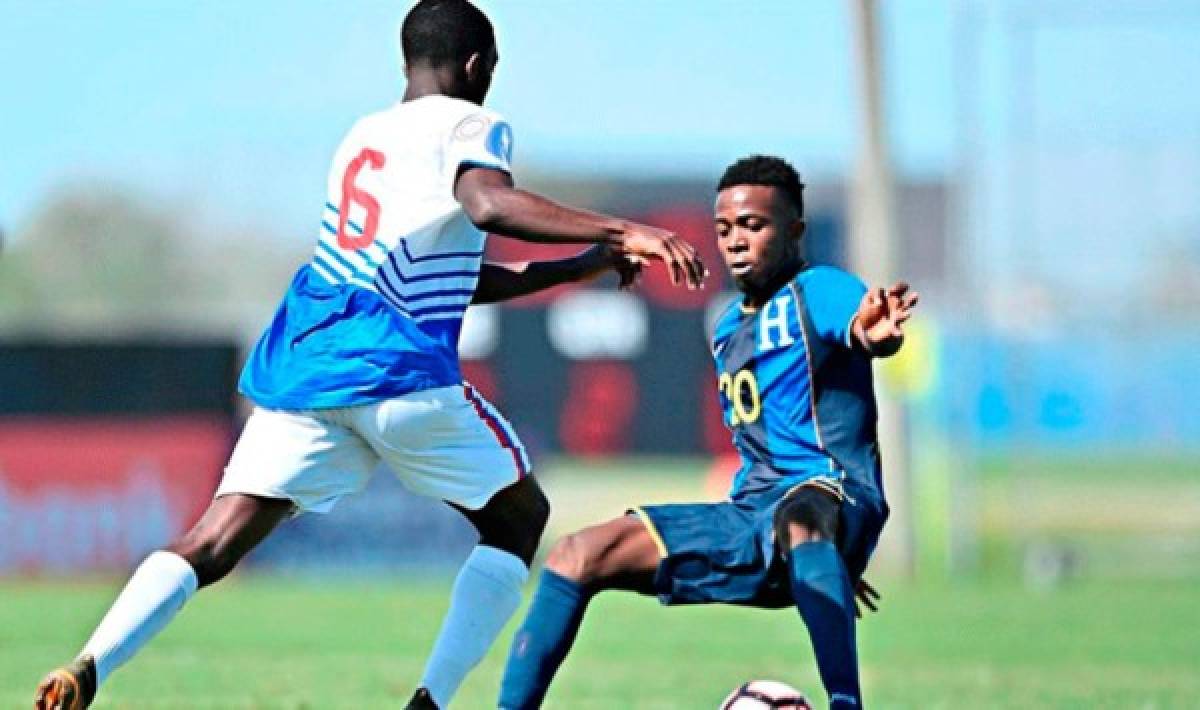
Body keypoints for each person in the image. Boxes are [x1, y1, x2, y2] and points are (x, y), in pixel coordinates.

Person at [32, 2, 706, 709]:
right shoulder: (472, 124)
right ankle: (431, 701)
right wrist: (628, 228)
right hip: (399, 377)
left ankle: (89, 665)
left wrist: (577, 267)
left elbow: (447, 277)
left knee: (213, 539)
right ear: (477, 66)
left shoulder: (362, 139)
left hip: (310, 370)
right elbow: (488, 205)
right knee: (520, 520)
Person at [497, 155, 918, 710]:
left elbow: (862, 327)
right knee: (577, 553)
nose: (736, 241)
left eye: (753, 225)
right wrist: (825, 567)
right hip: (753, 515)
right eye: (724, 229)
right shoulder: (727, 328)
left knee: (802, 518)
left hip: (829, 496)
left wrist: (875, 333)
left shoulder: (818, 289)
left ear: (794, 230)